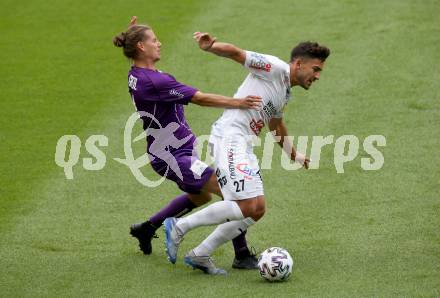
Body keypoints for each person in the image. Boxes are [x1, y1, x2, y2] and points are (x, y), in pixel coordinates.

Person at [164, 32, 330, 275]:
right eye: (315, 69)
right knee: (244, 205)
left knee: (257, 209)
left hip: (244, 144)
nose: (316, 76)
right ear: (298, 64)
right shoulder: (274, 68)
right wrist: (211, 46)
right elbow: (237, 53)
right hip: (230, 138)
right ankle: (179, 226)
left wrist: (293, 154)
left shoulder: (284, 92)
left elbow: (275, 125)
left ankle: (200, 254)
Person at [113, 17, 262, 269]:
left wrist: (130, 33)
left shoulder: (137, 75)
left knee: (201, 196)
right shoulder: (155, 82)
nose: (159, 43)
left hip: (170, 151)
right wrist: (238, 103)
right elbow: (200, 98)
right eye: (153, 40)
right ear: (140, 47)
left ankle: (147, 228)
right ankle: (242, 254)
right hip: (173, 156)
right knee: (233, 194)